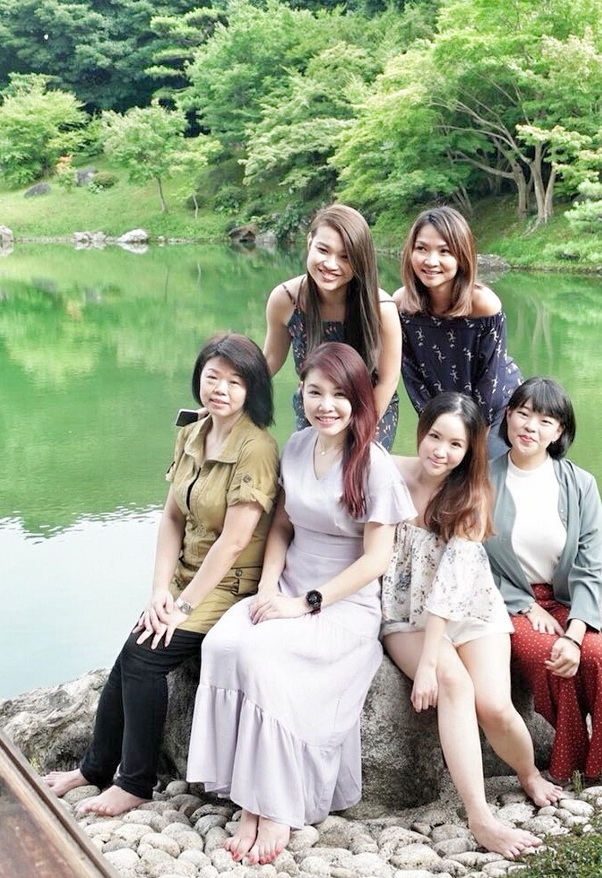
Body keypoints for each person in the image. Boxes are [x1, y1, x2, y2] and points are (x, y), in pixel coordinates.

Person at [186, 342, 415, 866]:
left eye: (339, 395)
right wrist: (269, 587)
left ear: (358, 400)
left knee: (261, 656)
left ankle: (271, 806)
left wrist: (307, 603)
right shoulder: (295, 446)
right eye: (315, 392)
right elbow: (283, 527)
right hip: (288, 584)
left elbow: (376, 560)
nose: (326, 405)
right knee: (222, 644)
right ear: (302, 394)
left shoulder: (373, 465)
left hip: (342, 604)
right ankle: (247, 789)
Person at [45, 333, 279, 816]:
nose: (220, 389)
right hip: (186, 577)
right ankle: (94, 769)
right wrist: (159, 592)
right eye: (212, 377)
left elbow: (235, 542)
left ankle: (135, 782)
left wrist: (183, 605)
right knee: (131, 653)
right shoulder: (193, 432)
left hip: (230, 585)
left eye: (235, 382)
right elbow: (172, 518)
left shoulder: (257, 448)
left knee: (144, 657)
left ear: (252, 389)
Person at [381, 392, 562, 859]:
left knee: (495, 707)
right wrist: (430, 663)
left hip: (471, 609)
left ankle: (528, 773)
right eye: (434, 436)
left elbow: (450, 586)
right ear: (421, 431)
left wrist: (428, 661)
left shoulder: (472, 495)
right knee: (454, 684)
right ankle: (481, 818)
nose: (441, 451)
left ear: (470, 450)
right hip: (407, 615)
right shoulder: (389, 472)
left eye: (455, 444)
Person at [484, 377, 602, 785]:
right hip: (510, 602)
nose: (530, 426)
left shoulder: (580, 484)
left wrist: (575, 633)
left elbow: (590, 567)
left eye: (545, 420)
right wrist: (525, 606)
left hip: (567, 601)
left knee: (596, 656)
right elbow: (473, 560)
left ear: (559, 432)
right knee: (553, 658)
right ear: (508, 416)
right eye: (523, 413)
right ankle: (570, 766)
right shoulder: (482, 480)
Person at [263, 203, 401, 449]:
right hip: (316, 408)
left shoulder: (380, 308)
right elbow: (270, 360)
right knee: (307, 469)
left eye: (345, 257)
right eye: (323, 250)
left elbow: (388, 380)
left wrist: (359, 430)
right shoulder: (286, 300)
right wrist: (229, 392)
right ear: (309, 243)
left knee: (353, 470)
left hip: (369, 410)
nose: (330, 264)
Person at [394, 206, 522, 453]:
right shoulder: (402, 304)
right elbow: (412, 376)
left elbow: (490, 382)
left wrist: (471, 440)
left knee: (483, 465)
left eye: (444, 251)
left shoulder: (483, 304)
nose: (431, 261)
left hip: (496, 408)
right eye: (421, 248)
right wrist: (435, 423)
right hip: (444, 408)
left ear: (461, 256)